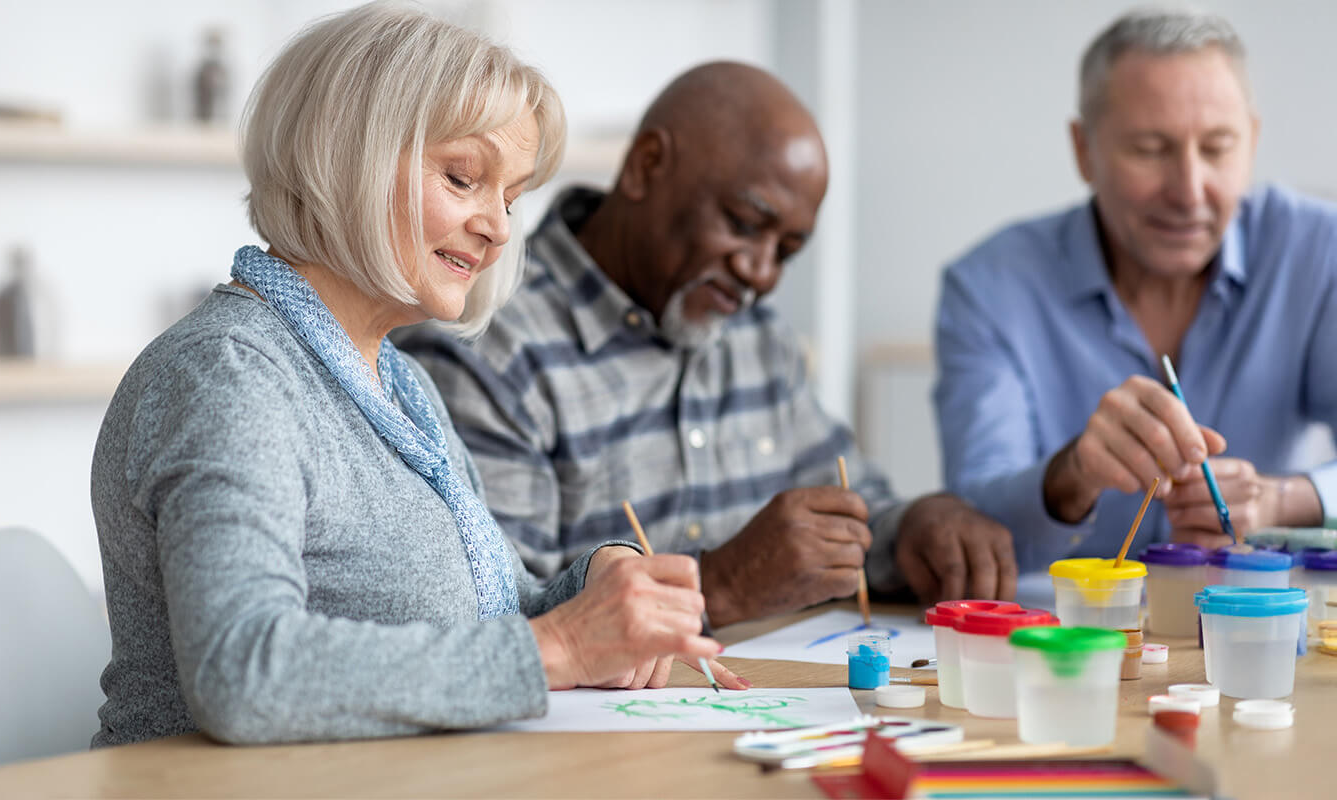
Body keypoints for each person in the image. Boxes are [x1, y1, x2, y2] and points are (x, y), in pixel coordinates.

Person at [89, 3, 741, 749]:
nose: (498, 226)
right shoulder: (228, 376)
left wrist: (596, 585)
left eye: (511, 196)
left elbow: (490, 618)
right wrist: (559, 648)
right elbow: (244, 672)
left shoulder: (399, 384)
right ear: (344, 159)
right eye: (464, 178)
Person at [397, 62, 1017, 628]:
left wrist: (911, 528)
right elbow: (499, 618)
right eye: (745, 225)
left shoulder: (756, 338)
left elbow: (855, 511)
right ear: (645, 166)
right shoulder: (485, 343)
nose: (761, 272)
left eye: (788, 251)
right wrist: (720, 586)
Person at [934, 8, 1337, 570]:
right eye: (1151, 149)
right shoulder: (987, 288)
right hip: (1069, 638)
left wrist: (1284, 500)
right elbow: (973, 520)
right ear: (1084, 150)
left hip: (1251, 629)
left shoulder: (1323, 253)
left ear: (1252, 141)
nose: (1189, 190)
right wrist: (1072, 475)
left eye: (1218, 147)